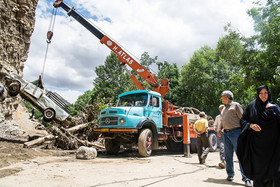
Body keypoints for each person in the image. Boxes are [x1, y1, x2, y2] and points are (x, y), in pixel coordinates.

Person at [237, 85, 280, 187]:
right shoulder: (252, 107)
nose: (263, 95)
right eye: (261, 93)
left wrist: (277, 111)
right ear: (258, 94)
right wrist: (251, 125)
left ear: (268, 94)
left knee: (274, 171)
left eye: (265, 93)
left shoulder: (274, 107)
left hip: (273, 147)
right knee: (259, 173)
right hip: (257, 148)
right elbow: (243, 120)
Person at [219, 90, 252, 187]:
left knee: (241, 155)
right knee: (228, 155)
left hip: (236, 132)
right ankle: (230, 174)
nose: (221, 98)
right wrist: (220, 128)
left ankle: (246, 178)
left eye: (222, 96)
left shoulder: (236, 105)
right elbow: (223, 119)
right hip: (226, 133)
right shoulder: (224, 109)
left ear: (227, 97)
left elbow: (243, 119)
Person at [214, 104, 225, 169]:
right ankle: (223, 161)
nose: (222, 109)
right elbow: (215, 124)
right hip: (220, 134)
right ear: (219, 110)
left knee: (228, 147)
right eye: (221, 108)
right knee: (221, 147)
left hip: (228, 133)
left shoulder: (228, 116)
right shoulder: (217, 117)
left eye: (223, 108)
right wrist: (215, 128)